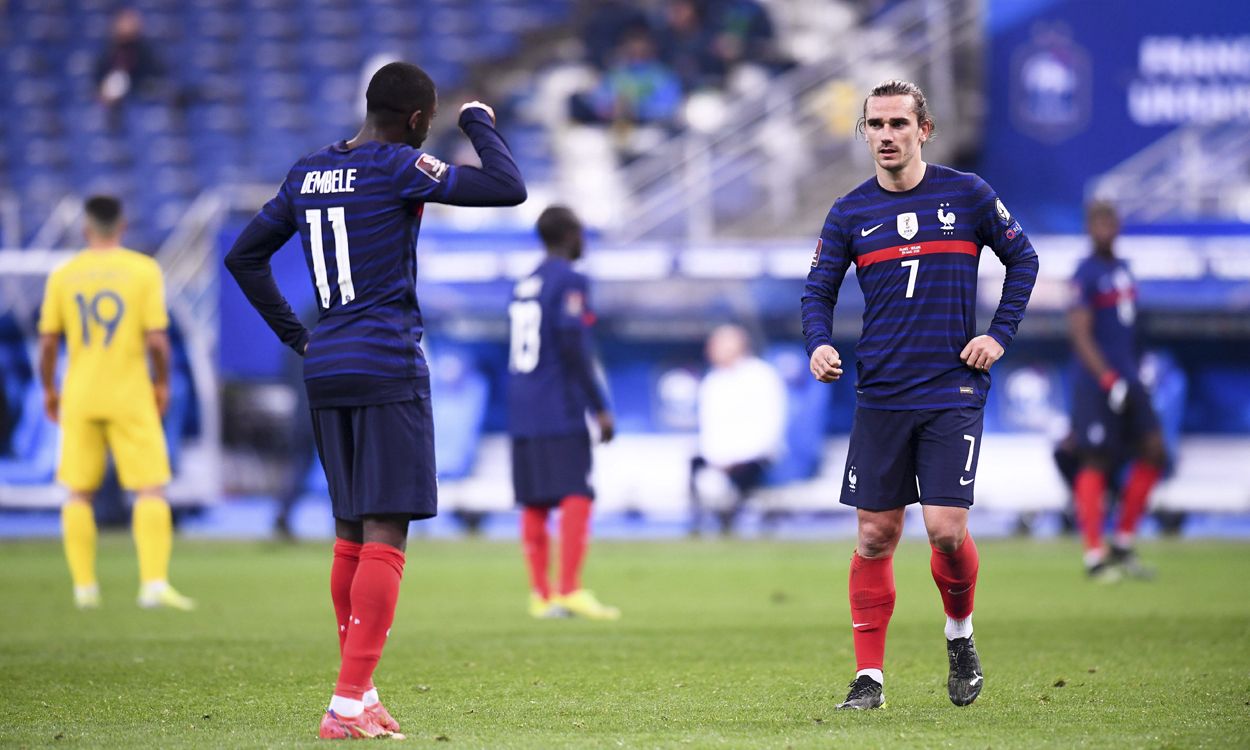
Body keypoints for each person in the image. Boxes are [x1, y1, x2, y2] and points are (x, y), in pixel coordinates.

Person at [224, 62, 525, 740]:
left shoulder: (308, 173)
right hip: (386, 360)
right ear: (419, 120)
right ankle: (344, 703)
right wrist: (476, 122)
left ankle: (362, 696)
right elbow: (508, 187)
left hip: (327, 362)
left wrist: (299, 337)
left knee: (352, 532)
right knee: (386, 531)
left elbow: (244, 257)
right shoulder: (399, 166)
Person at [801, 80, 1039, 710]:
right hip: (880, 390)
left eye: (897, 124)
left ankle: (959, 634)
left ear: (923, 129)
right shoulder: (850, 211)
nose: (884, 136)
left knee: (944, 531)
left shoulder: (967, 194)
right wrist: (818, 343)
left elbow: (1025, 260)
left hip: (951, 388)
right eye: (873, 125)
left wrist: (999, 335)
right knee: (876, 534)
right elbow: (817, 290)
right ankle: (869, 678)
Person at [37, 195, 194, 612]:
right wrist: (162, 383)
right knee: (150, 490)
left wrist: (50, 391)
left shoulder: (64, 274)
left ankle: (85, 589)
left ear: (86, 229)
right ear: (122, 226)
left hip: (81, 393)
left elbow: (48, 341)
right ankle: (153, 584)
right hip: (130, 393)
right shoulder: (142, 270)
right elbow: (157, 340)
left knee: (77, 494)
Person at [507, 205, 620, 621]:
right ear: (571, 235)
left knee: (535, 499)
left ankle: (541, 596)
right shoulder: (570, 279)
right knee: (576, 491)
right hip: (558, 401)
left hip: (522, 401)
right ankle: (569, 589)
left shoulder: (524, 282)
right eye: (582, 233)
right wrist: (600, 407)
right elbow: (573, 344)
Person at [1067, 200, 1165, 581]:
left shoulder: (1124, 270)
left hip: (1130, 377)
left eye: (1111, 221)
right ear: (1089, 227)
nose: (1105, 228)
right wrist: (1108, 379)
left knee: (1154, 451)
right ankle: (1095, 555)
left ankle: (1123, 543)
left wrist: (1137, 371)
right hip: (1097, 382)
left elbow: (1130, 331)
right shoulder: (1085, 273)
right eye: (1099, 222)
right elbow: (1080, 333)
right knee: (1096, 460)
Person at [689, 324, 786, 535]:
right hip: (720, 458)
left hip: (754, 457)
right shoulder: (713, 381)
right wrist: (717, 459)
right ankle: (700, 526)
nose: (710, 349)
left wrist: (736, 458)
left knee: (744, 474)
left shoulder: (762, 377)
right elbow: (710, 429)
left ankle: (732, 522)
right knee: (694, 464)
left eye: (716, 344)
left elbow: (769, 427)